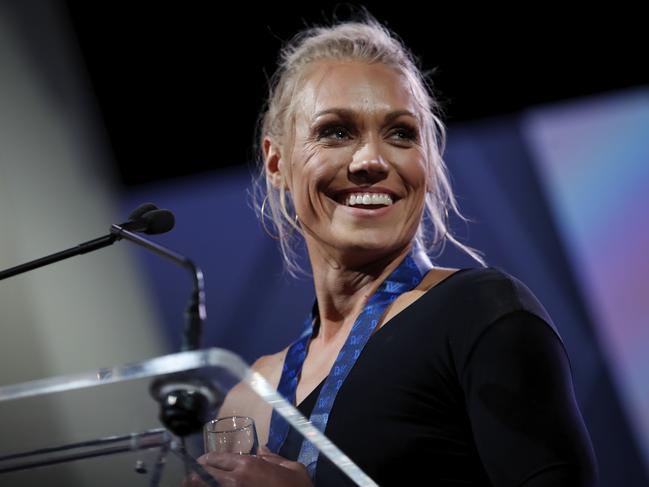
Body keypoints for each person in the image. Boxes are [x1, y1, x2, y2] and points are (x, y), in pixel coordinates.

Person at [186, 13, 598, 487]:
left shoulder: (481, 312)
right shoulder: (250, 397)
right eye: (336, 131)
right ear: (276, 162)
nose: (372, 161)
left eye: (401, 133)